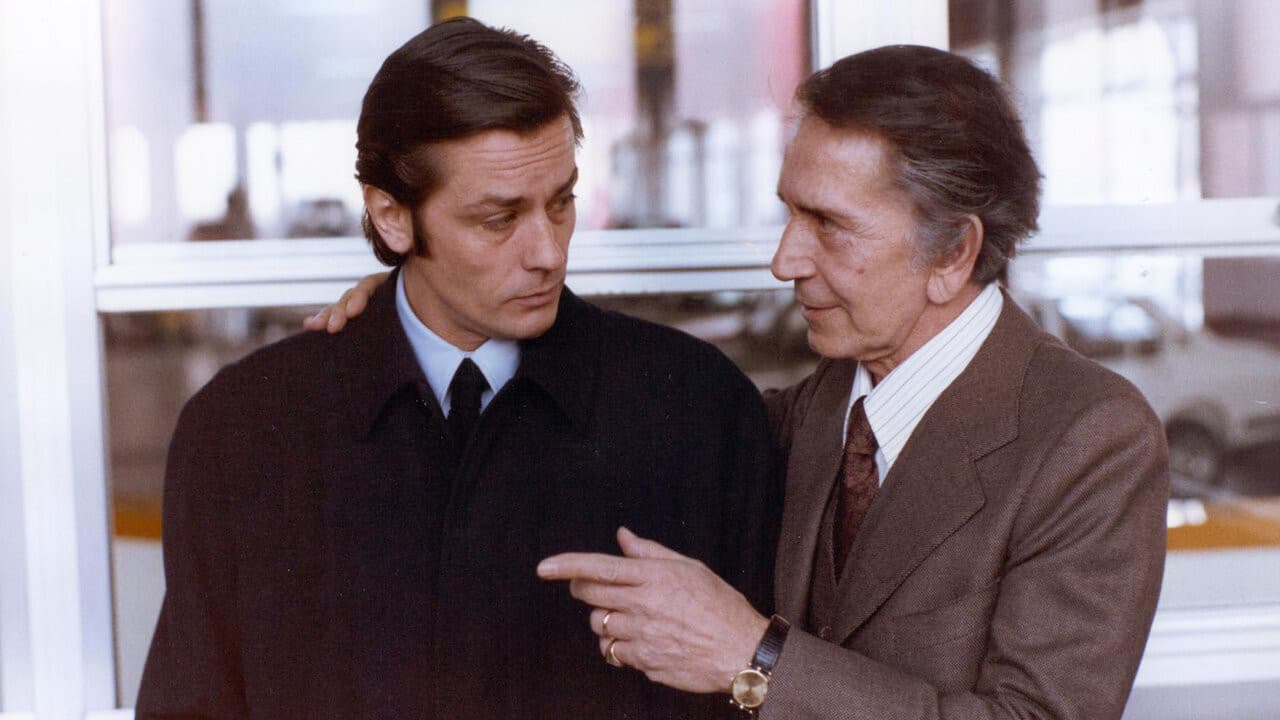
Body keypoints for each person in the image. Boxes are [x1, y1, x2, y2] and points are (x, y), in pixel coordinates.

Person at [316, 44, 1170, 719]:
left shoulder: (1090, 438)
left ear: (953, 253)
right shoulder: (810, 410)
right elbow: (629, 399)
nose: (784, 259)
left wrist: (752, 657)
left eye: (828, 225)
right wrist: (424, 299)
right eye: (790, 212)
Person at [136, 18, 779, 719]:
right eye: (499, 219)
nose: (548, 253)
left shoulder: (699, 406)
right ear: (392, 217)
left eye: (561, 202)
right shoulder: (240, 430)